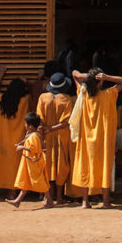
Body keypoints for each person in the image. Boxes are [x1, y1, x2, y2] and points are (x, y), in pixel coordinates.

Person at [70, 67, 122, 208]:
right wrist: (106, 76)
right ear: (100, 82)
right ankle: (106, 201)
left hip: (86, 141)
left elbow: (74, 74)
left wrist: (88, 76)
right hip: (103, 141)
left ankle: (85, 201)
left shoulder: (82, 94)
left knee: (85, 167)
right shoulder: (108, 94)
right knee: (104, 168)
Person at [35, 72, 74, 205]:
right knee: (61, 166)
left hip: (45, 136)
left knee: (47, 165)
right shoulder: (66, 99)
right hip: (61, 136)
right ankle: (59, 196)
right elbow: (66, 122)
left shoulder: (43, 98)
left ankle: (47, 196)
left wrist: (44, 132)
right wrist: (52, 128)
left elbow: (38, 119)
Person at [0, 69, 30, 192]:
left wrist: (1, 74)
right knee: (15, 165)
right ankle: (14, 191)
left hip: (3, 139)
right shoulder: (25, 100)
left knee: (5, 165)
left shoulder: (2, 99)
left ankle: (6, 189)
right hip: (18, 139)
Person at [6, 112, 52, 208]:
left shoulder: (34, 136)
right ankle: (18, 201)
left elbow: (33, 149)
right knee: (26, 181)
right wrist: (20, 143)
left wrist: (21, 148)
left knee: (39, 180)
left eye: (26, 124)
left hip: (34, 162)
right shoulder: (34, 134)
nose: (25, 125)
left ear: (30, 126)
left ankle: (49, 201)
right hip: (31, 162)